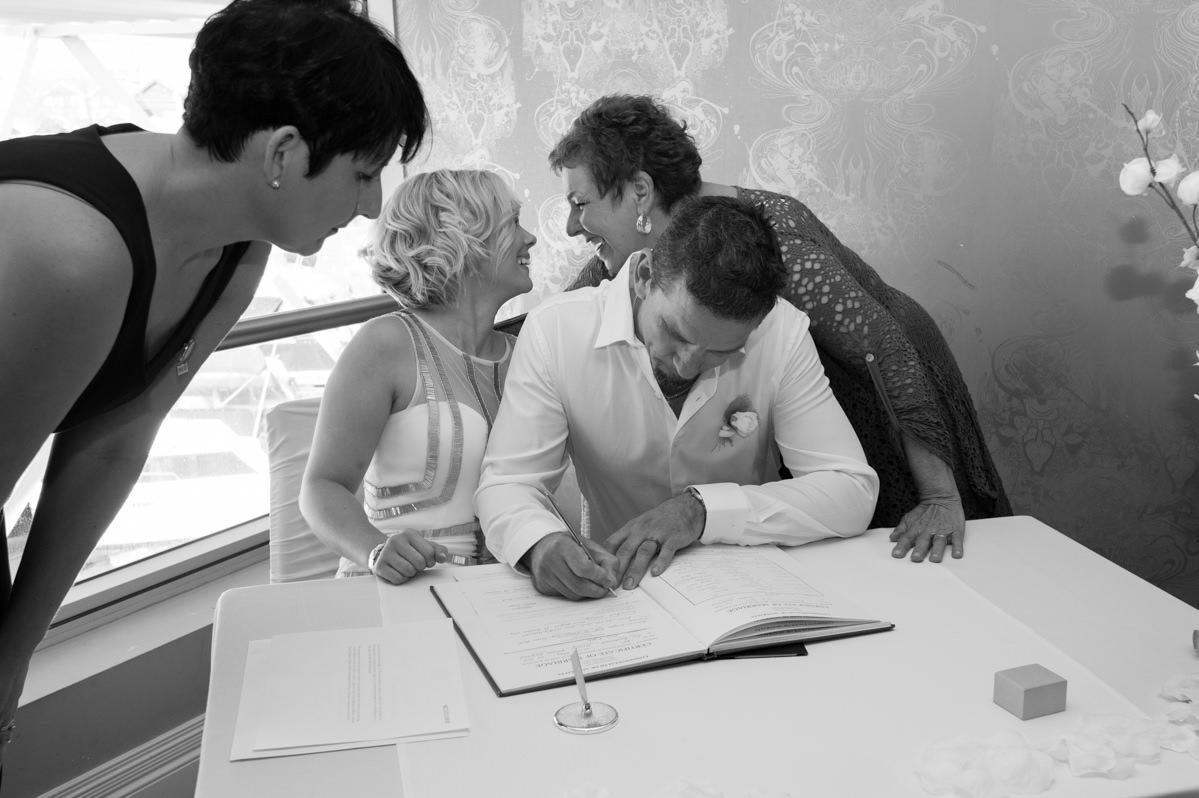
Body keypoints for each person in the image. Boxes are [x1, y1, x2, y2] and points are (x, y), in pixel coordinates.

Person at [0, 0, 427, 778]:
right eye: (363, 174)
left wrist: (16, 646)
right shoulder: (73, 250)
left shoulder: (239, 253)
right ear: (285, 152)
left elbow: (117, 441)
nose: (370, 205)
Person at [547, 93, 1011, 567]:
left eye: (580, 203)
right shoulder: (648, 253)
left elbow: (884, 349)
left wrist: (938, 496)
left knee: (915, 549)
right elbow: (570, 307)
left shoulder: (767, 241)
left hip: (892, 392)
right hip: (834, 399)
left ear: (640, 192)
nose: (570, 226)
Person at [475, 195, 879, 600]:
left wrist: (702, 510)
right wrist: (538, 544)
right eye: (677, 334)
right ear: (646, 276)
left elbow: (851, 491)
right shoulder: (556, 331)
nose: (687, 366)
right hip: (617, 595)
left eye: (722, 351)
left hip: (753, 591)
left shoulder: (782, 333)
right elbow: (507, 484)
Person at [300, 170, 536, 582]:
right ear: (465, 238)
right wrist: (374, 551)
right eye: (512, 223)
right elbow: (322, 487)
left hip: (500, 600)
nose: (529, 238)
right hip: (394, 593)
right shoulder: (386, 343)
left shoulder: (528, 354)